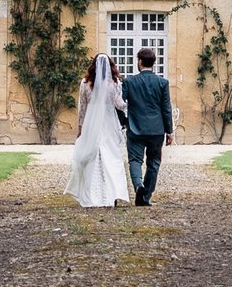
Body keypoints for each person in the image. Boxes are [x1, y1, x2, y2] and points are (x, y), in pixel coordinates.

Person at [63, 54, 134, 208]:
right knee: (111, 157)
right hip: (109, 123)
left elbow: (82, 108)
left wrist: (80, 128)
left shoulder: (85, 84)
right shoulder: (113, 84)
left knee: (92, 156)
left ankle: (91, 194)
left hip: (91, 123)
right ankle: (111, 194)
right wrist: (132, 105)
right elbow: (120, 104)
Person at [119, 47, 174, 207]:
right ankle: (145, 196)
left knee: (135, 160)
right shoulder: (162, 83)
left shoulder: (129, 82)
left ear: (140, 62)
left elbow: (121, 105)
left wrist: (124, 121)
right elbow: (166, 108)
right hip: (156, 129)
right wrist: (169, 131)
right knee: (154, 162)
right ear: (153, 63)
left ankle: (138, 186)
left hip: (135, 127)